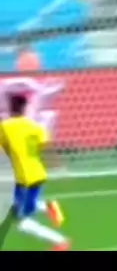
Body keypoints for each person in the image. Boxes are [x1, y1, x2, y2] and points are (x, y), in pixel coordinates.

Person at [0, 94, 71, 251]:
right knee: (12, 203)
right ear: (25, 109)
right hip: (37, 175)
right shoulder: (36, 128)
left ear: (10, 108)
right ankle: (48, 206)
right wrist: (60, 172)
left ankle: (60, 242)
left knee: (23, 223)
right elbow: (48, 155)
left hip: (23, 179)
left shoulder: (5, 127)